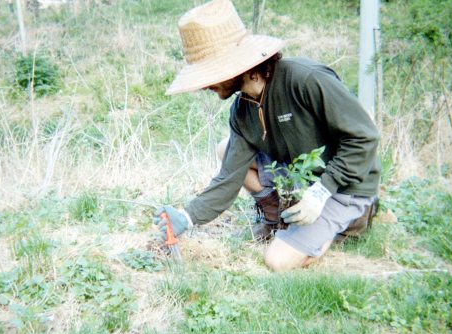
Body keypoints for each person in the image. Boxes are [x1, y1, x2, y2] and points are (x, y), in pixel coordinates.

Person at [153, 0, 380, 272]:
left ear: (239, 66)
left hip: (343, 186)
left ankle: (351, 221)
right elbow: (229, 177)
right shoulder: (242, 110)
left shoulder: (304, 80)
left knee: (277, 261)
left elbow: (364, 138)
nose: (204, 85)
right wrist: (187, 217)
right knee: (226, 150)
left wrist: (321, 193)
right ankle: (279, 220)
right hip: (301, 180)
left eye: (211, 74)